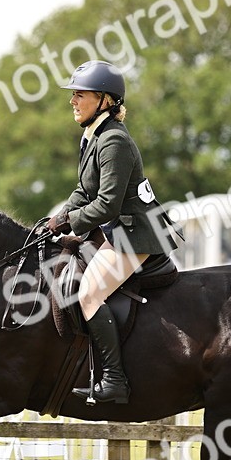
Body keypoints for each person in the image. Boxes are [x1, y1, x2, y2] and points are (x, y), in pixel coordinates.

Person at [45, 60, 181, 403]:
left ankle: (114, 381)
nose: (73, 101)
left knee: (89, 293)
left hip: (135, 234)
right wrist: (56, 217)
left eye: (80, 95)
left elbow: (107, 204)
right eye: (73, 95)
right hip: (116, 231)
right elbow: (84, 190)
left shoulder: (114, 141)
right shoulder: (94, 137)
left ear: (105, 99)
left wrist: (71, 223)